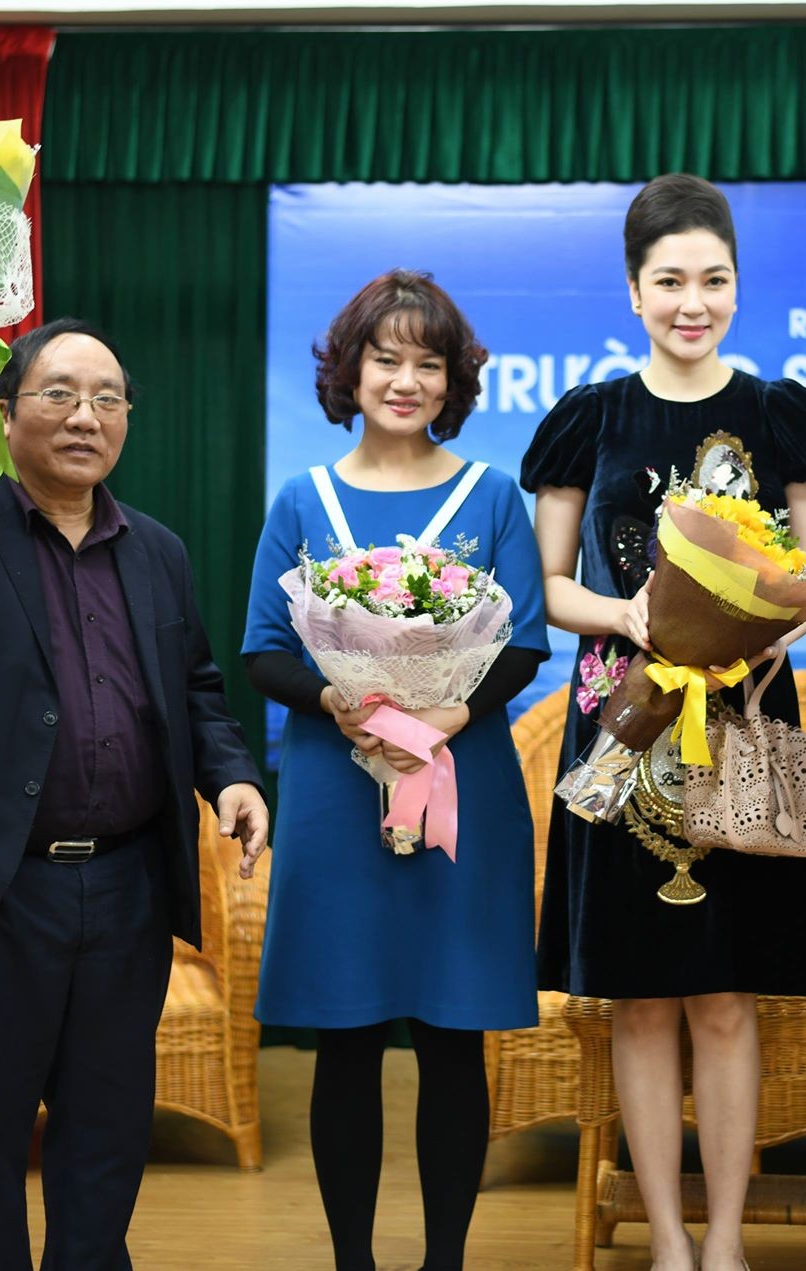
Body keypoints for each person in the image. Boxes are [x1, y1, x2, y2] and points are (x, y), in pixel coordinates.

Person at [0, 318, 270, 1269]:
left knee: (105, 1142)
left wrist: (233, 774)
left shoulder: (158, 550)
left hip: (126, 890)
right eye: (61, 395)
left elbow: (196, 689)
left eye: (108, 399)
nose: (87, 416)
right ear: (6, 413)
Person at [522, 173, 806, 1271]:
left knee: (725, 1000)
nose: (690, 302)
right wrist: (629, 616)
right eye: (668, 281)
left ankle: (726, 1239)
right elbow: (548, 586)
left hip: (740, 721)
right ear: (633, 289)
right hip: (625, 721)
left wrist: (753, 632)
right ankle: (665, 1240)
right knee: (642, 1002)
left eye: (712, 279)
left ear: (738, 286)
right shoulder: (591, 417)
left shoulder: (780, 414)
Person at [243, 270, 549, 1271]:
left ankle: (444, 1259)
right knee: (346, 1036)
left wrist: (444, 715)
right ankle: (353, 1261)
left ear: (454, 379)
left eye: (428, 361)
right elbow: (263, 650)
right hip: (338, 786)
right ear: (350, 369)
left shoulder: (491, 495)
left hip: (462, 782)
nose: (405, 379)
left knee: (454, 1035)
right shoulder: (304, 498)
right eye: (385, 358)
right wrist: (341, 702)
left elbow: (524, 642)